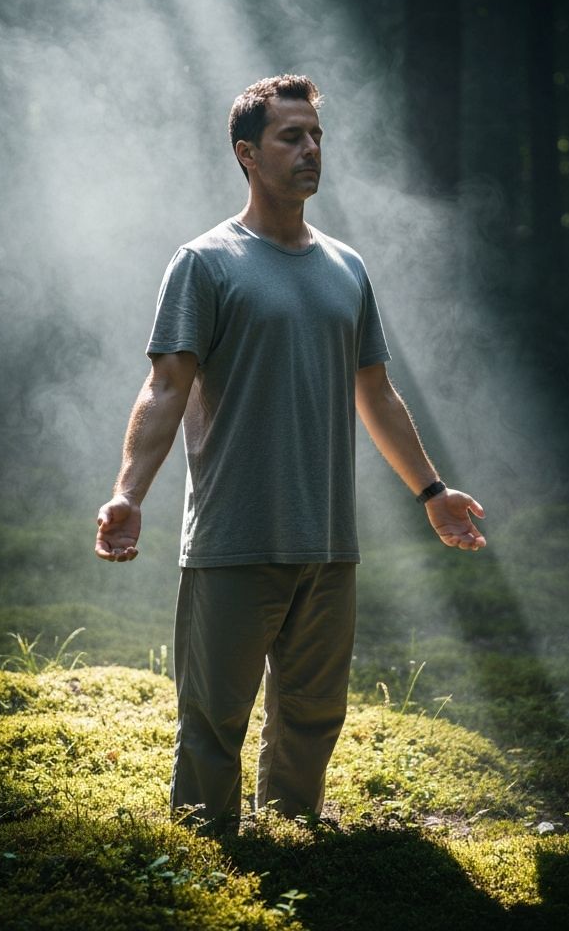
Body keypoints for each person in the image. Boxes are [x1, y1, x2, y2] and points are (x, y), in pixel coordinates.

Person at [95, 74, 486, 830]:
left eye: (316, 136)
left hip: (329, 541)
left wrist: (433, 493)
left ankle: (293, 837)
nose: (311, 150)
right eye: (291, 136)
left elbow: (376, 393)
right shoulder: (205, 262)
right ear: (247, 153)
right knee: (213, 718)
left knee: (313, 714)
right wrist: (128, 493)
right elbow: (166, 387)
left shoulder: (346, 267)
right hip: (234, 537)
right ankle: (205, 853)